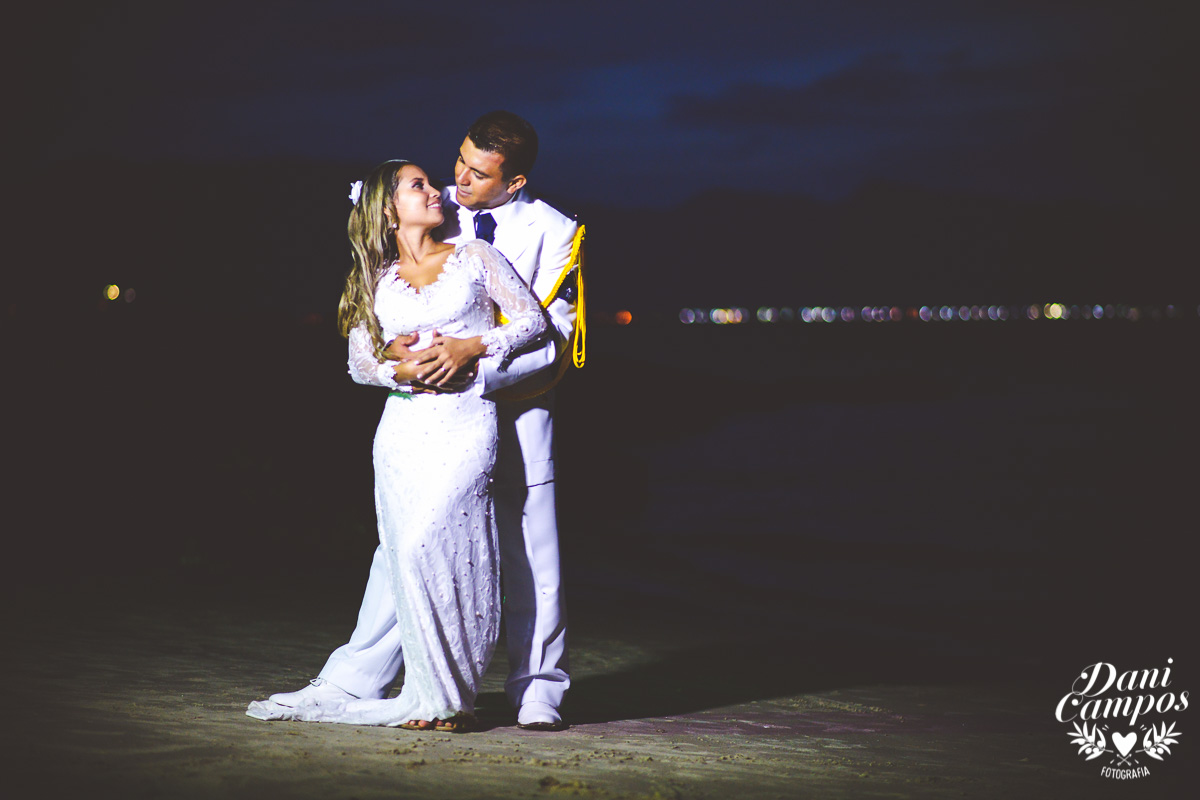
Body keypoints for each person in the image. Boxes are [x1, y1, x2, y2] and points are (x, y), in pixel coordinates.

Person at [263, 112, 581, 730]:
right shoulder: (433, 210)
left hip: (509, 410)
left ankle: (536, 687)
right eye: (458, 160)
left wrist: (473, 365)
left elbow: (553, 336)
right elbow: (372, 336)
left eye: (478, 172)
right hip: (419, 423)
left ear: (512, 183)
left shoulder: (556, 232)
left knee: (528, 555)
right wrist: (398, 364)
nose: (457, 178)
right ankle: (362, 675)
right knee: (406, 549)